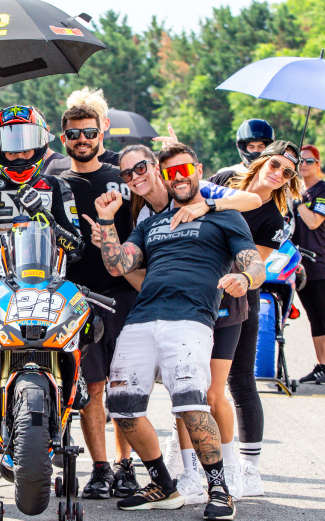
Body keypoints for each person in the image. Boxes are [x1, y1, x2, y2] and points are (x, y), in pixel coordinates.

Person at [87, 142, 261, 504]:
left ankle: (219, 489)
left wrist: (244, 278)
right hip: (141, 319)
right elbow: (119, 265)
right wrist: (106, 221)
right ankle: (163, 484)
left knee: (190, 401)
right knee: (121, 406)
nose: (178, 178)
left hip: (189, 318)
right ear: (163, 177)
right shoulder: (149, 224)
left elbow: (254, 262)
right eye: (171, 173)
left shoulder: (224, 215)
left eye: (184, 170)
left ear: (198, 171)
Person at [189, 140, 301, 498]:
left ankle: (248, 467)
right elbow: (191, 195)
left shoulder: (274, 216)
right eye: (276, 165)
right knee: (192, 381)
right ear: (262, 161)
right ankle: (189, 464)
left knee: (239, 382)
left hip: (240, 295)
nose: (279, 174)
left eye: (288, 172)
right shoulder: (225, 179)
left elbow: (253, 264)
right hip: (198, 287)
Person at [0, 105, 85, 401]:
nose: (20, 155)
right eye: (12, 149)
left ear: (41, 145)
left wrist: (45, 218)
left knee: (91, 320)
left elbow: (77, 248)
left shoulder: (58, 187)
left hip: (50, 281)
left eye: (26, 147)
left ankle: (77, 367)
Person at [53, 104, 139, 500]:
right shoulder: (54, 183)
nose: (82, 140)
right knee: (92, 387)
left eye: (89, 132)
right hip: (75, 298)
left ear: (101, 134)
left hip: (123, 295)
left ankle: (126, 466)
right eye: (74, 134)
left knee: (125, 387)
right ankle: (100, 469)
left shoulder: (122, 178)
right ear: (63, 138)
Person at [293, 145, 325, 385]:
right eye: (300, 161)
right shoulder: (299, 190)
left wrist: (298, 202)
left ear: (318, 164)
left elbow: (314, 222)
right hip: (302, 265)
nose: (304, 165)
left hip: (322, 263)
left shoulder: (323, 190)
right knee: (313, 316)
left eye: (309, 161)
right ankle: (321, 365)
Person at [43, 87, 119, 177]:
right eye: (74, 132)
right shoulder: (57, 168)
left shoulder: (121, 163)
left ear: (106, 124)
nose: (82, 138)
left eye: (92, 119)